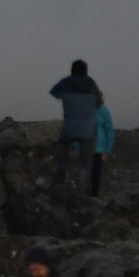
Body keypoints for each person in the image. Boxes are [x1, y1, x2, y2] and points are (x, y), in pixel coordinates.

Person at [49, 60, 102, 188]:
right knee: (85, 163)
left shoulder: (66, 82)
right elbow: (99, 103)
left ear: (72, 70)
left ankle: (60, 177)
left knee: (63, 146)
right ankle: (81, 190)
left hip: (69, 129)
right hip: (87, 131)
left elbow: (53, 92)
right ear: (86, 71)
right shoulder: (91, 84)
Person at [90, 96, 115, 198]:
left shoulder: (104, 111)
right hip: (87, 147)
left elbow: (109, 130)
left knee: (96, 174)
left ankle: (94, 196)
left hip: (100, 149)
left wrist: (107, 150)